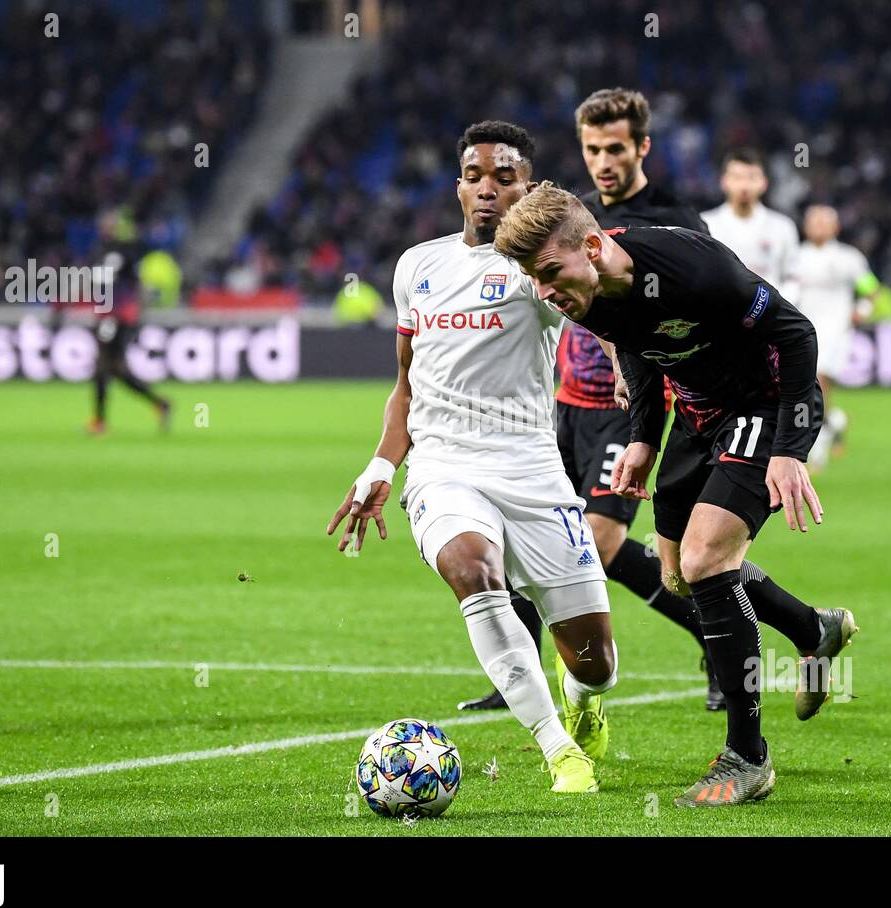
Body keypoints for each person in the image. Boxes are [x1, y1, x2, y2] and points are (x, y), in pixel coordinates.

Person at [494, 183, 858, 805]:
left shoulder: (694, 270)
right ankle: (812, 628)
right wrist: (642, 437)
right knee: (677, 578)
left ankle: (748, 756)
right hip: (696, 412)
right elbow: (639, 349)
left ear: (592, 245)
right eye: (533, 277)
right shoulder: (588, 295)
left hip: (762, 404)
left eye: (549, 271)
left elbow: (796, 333)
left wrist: (792, 450)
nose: (544, 290)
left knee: (706, 561)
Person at [327, 122, 618, 794]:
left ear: (528, 187)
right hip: (444, 468)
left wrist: (619, 364)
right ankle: (559, 751)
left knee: (597, 661)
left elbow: (597, 317)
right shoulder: (417, 267)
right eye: (474, 175)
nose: (487, 189)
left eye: (504, 177)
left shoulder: (534, 267)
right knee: (471, 568)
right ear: (458, 185)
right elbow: (406, 384)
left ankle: (583, 700)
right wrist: (380, 466)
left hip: (534, 471)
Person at [457, 87, 724, 713]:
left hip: (628, 408)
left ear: (642, 148)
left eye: (615, 149)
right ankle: (518, 674)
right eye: (591, 149)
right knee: (529, 528)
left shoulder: (675, 220)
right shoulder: (573, 218)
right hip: (567, 402)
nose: (602, 162)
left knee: (601, 544)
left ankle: (713, 638)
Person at [796, 204, 886, 470]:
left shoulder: (849, 258)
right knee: (803, 388)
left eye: (825, 221)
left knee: (819, 383)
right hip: (801, 331)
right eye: (815, 220)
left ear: (836, 227)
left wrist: (863, 310)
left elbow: (872, 290)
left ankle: (818, 442)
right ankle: (832, 420)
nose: (820, 226)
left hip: (836, 332)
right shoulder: (795, 257)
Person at [86, 249, 171, 436]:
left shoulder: (123, 259)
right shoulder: (105, 254)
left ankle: (99, 422)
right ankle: (160, 403)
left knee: (103, 368)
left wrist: (133, 317)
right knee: (116, 371)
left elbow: (137, 288)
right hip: (112, 318)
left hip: (117, 319)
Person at [700, 149, 801, 305]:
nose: (744, 185)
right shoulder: (705, 225)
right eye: (737, 177)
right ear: (724, 181)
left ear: (764, 183)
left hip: (770, 319)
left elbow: (793, 278)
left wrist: (776, 308)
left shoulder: (783, 227)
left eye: (752, 177)